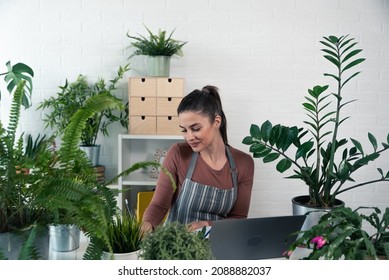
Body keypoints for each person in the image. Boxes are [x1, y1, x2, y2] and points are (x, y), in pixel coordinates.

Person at [141, 85, 254, 233]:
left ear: (216, 122)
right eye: (184, 130)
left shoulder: (243, 163)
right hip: (177, 245)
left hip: (219, 245)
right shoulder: (177, 154)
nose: (189, 137)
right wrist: (147, 225)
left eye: (195, 128)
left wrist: (207, 225)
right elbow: (159, 206)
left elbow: (238, 218)